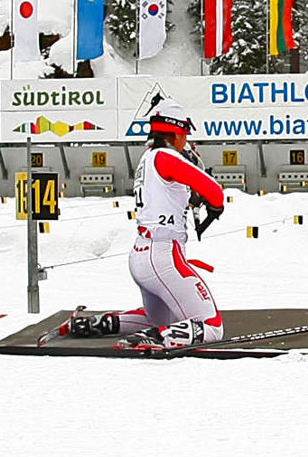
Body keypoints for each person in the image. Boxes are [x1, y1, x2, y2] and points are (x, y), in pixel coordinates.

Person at [61, 100, 227, 349]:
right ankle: (152, 338)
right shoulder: (166, 156)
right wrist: (214, 205)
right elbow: (214, 191)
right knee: (211, 326)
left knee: (158, 319)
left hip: (142, 253)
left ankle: (100, 324)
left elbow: (165, 196)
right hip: (164, 254)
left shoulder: (148, 158)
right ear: (177, 132)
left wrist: (191, 198)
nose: (186, 141)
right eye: (185, 134)